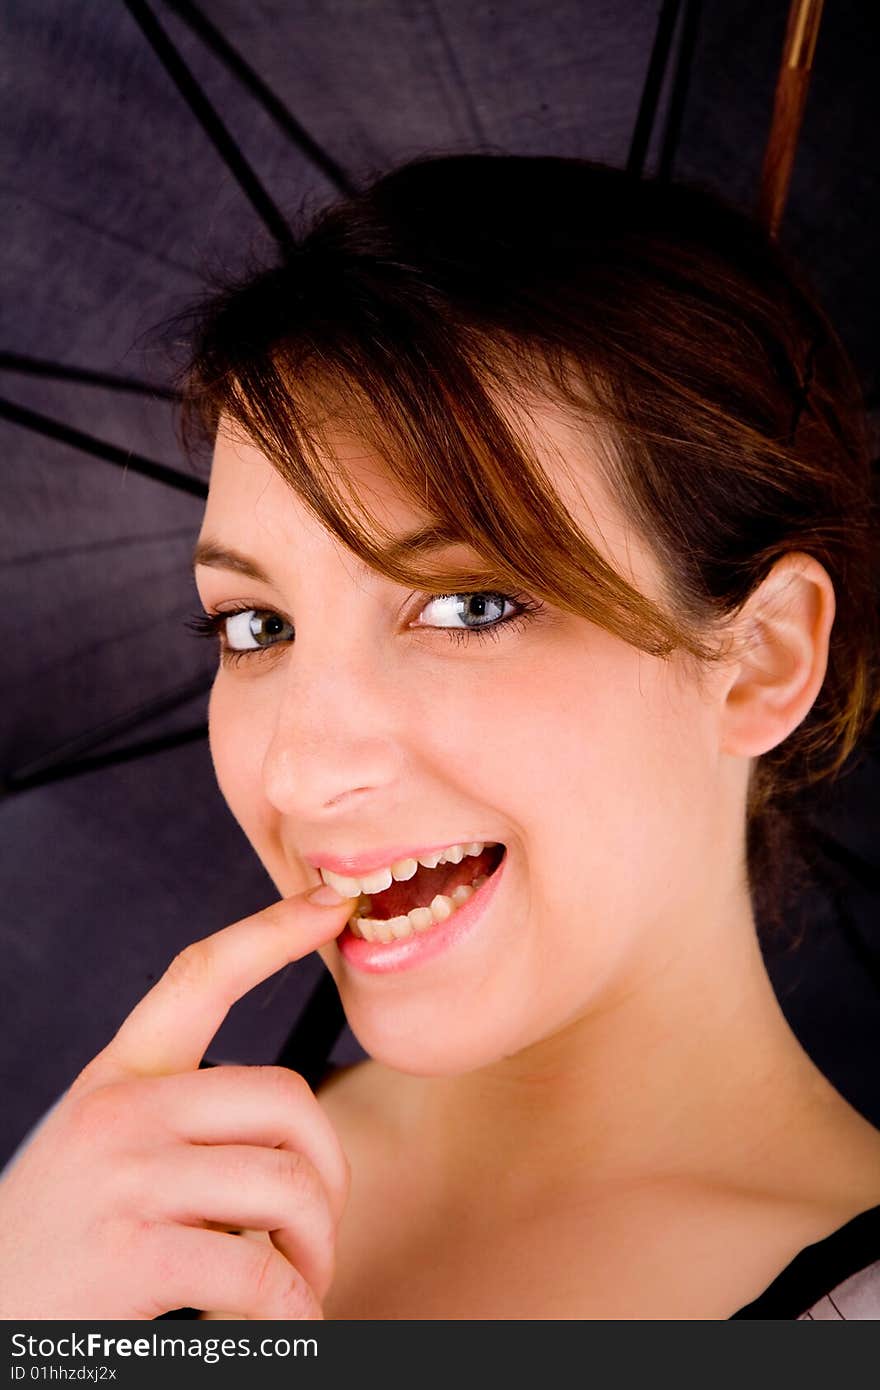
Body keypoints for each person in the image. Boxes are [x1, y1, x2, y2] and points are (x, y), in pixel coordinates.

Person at [2, 153, 879, 1320]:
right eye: (257, 625)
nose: (301, 767)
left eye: (470, 605)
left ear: (761, 660)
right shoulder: (105, 1228)